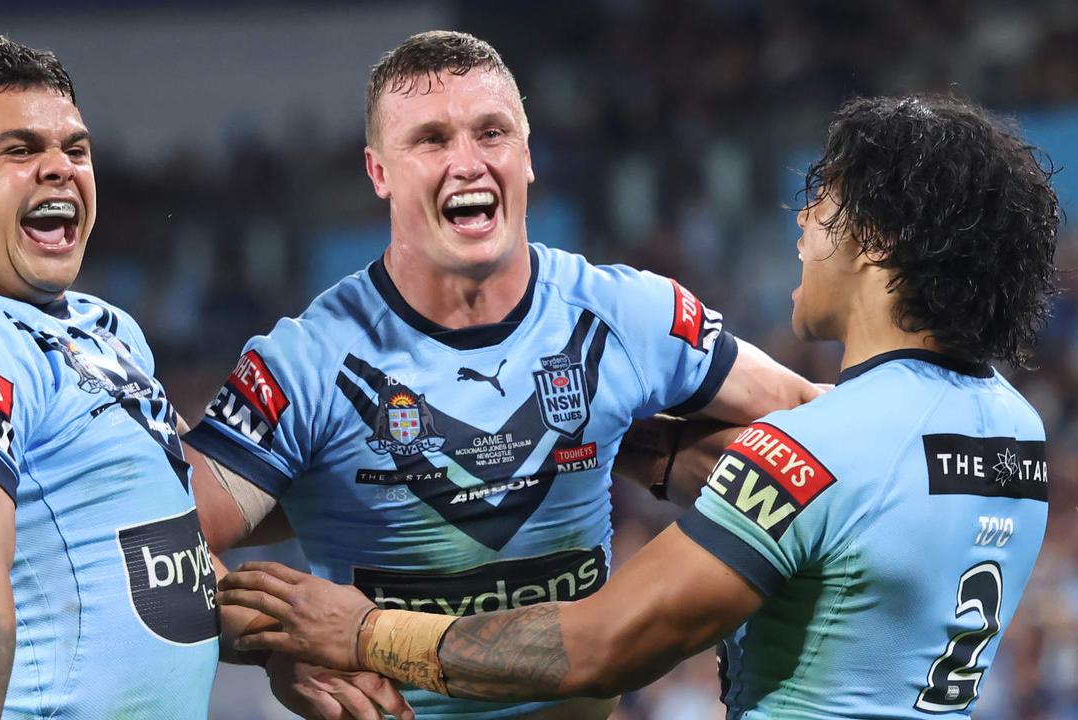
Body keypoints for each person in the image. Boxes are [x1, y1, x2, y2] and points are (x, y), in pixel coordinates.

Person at [217, 94, 1061, 719]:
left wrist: (365, 633)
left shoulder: (820, 447)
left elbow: (598, 647)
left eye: (825, 205)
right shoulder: (1016, 432)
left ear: (877, 241)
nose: (802, 225)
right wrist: (639, 451)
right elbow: (850, 504)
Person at [184, 30, 819, 720]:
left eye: (492, 133)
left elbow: (816, 419)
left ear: (528, 154)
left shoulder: (628, 315)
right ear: (379, 172)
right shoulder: (307, 362)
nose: (468, 162)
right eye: (431, 140)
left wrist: (669, 460)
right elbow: (159, 546)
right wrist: (270, 648)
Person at [0, 38, 227, 719]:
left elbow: (174, 546)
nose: (59, 168)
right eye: (20, 150)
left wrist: (310, 646)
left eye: (75, 150)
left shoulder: (104, 329)